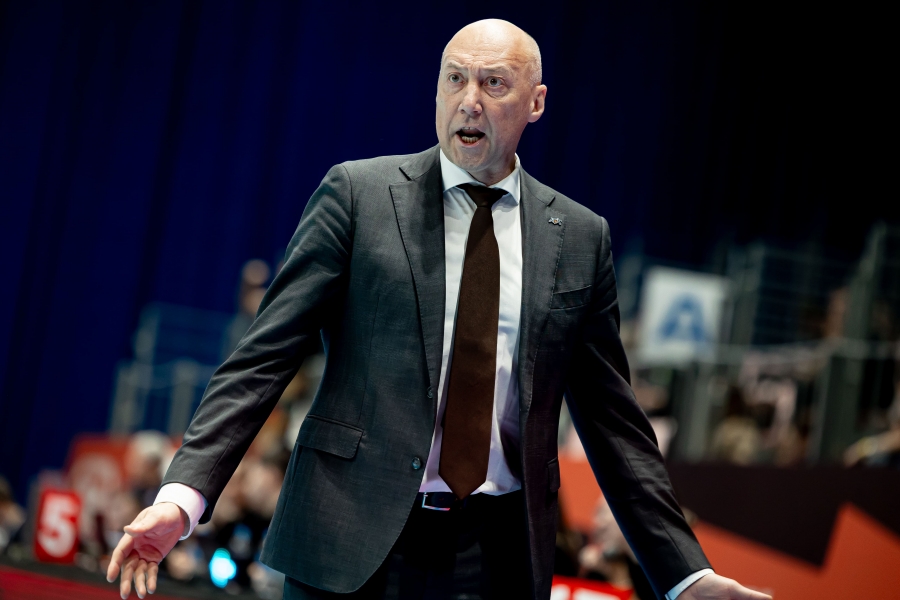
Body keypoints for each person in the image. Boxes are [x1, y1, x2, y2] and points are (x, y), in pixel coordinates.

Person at [107, 19, 771, 600]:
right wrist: (182, 498)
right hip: (346, 542)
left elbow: (615, 425)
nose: (469, 100)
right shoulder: (359, 196)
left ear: (536, 102)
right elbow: (261, 360)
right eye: (455, 79)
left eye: (494, 83)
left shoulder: (579, 237)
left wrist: (684, 574)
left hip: (497, 557)